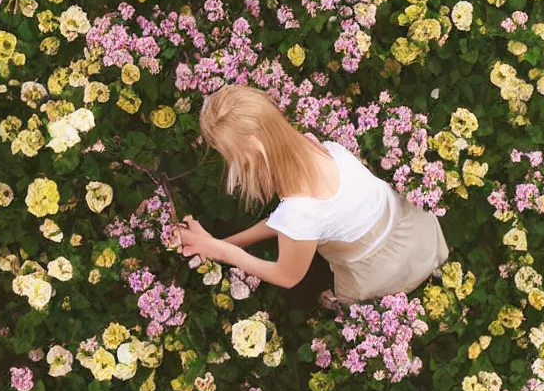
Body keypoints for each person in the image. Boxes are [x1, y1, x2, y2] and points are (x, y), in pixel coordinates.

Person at [177, 84, 448, 304]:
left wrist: (216, 250)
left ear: (253, 147)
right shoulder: (315, 147)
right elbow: (286, 223)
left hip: (381, 269)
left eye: (230, 154)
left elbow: (287, 276)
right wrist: (227, 242)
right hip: (412, 229)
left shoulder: (300, 210)